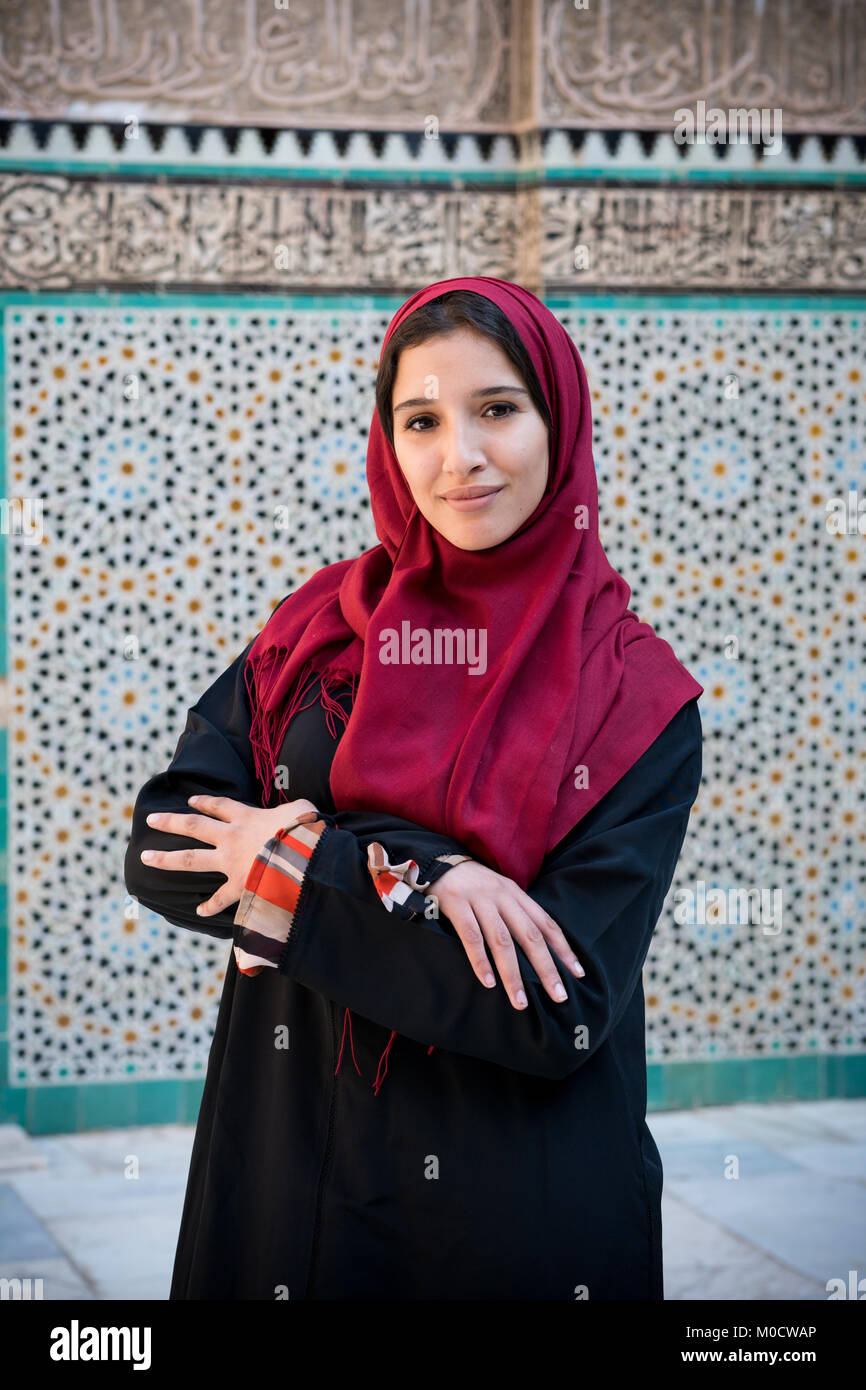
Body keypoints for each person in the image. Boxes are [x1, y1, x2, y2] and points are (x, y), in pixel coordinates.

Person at [124, 276, 704, 1301]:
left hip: (511, 1218)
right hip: (286, 1178)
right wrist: (426, 876)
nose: (459, 458)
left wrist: (298, 870)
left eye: (496, 410)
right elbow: (165, 847)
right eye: (420, 420)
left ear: (557, 421)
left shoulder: (633, 697)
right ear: (385, 442)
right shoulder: (314, 636)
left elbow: (553, 1007)